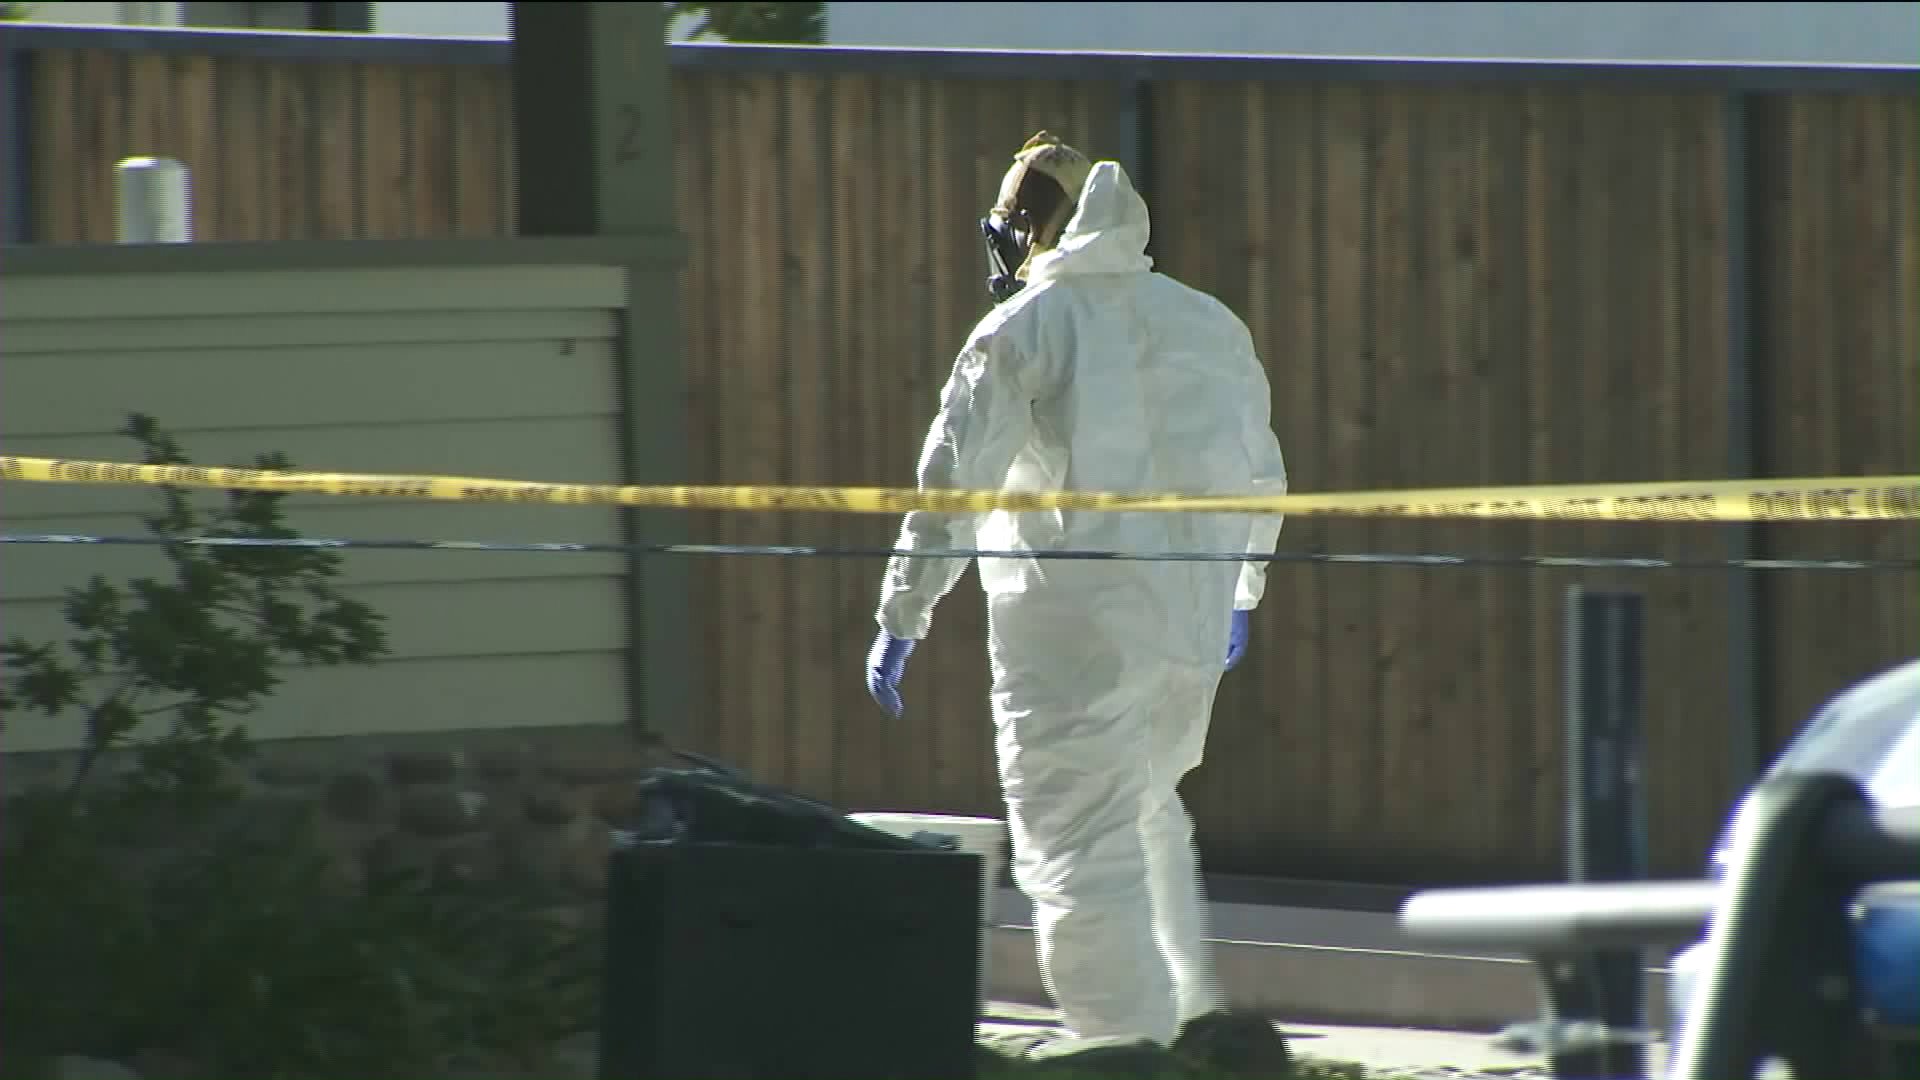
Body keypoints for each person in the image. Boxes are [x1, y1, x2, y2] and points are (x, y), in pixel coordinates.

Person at [863, 132, 1291, 1066]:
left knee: (1078, 855)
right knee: (1147, 817)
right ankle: (1195, 1035)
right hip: (1187, 636)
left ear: (1026, 228)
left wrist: (903, 614)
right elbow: (1263, 476)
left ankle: (1127, 1054)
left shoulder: (1026, 328)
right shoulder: (1208, 322)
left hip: (1073, 641)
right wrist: (1241, 592)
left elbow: (952, 494)